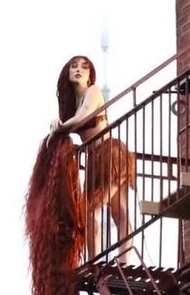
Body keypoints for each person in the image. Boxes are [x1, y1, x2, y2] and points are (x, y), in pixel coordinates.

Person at [50, 55, 135, 260]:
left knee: (93, 210)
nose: (78, 69)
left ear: (90, 75)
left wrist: (58, 128)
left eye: (84, 67)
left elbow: (82, 118)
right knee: (117, 210)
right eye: (74, 66)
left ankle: (98, 260)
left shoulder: (93, 92)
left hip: (109, 154)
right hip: (95, 158)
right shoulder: (73, 103)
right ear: (67, 72)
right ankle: (111, 261)